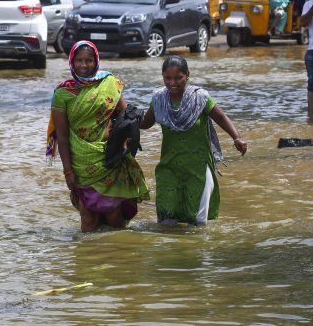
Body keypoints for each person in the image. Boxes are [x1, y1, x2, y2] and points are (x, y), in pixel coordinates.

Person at [46, 40, 149, 232]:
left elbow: (126, 116)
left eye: (88, 61)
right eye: (79, 60)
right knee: (88, 218)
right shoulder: (62, 94)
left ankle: (115, 254)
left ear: (96, 62)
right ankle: (86, 258)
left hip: (107, 160)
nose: (83, 65)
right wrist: (67, 171)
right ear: (71, 62)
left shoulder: (108, 84)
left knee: (113, 215)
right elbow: (62, 137)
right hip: (80, 164)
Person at [140, 55, 247, 226]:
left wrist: (237, 138)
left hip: (197, 167)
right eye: (167, 78)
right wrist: (124, 119)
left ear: (187, 76)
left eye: (178, 78)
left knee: (197, 223)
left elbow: (221, 117)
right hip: (169, 166)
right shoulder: (159, 100)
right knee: (166, 219)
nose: (172, 83)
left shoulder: (200, 98)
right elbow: (145, 123)